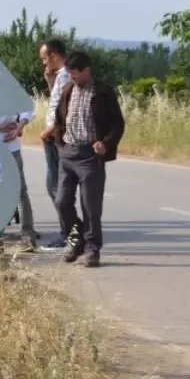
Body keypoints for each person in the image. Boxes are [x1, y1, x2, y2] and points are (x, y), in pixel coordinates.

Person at [52, 51, 125, 268]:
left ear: (87, 69)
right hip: (68, 154)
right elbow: (58, 120)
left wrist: (106, 143)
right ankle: (76, 239)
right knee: (62, 202)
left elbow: (117, 124)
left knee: (90, 206)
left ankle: (92, 248)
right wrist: (60, 144)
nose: (71, 77)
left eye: (74, 73)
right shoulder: (67, 90)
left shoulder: (103, 92)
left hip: (90, 157)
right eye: (69, 73)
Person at [0, 110, 38, 252]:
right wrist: (18, 127)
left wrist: (10, 128)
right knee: (19, 192)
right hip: (7, 143)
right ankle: (27, 237)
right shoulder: (10, 88)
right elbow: (27, 110)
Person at [38, 38, 78, 250]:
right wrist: (48, 80)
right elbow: (56, 99)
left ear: (54, 56)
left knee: (57, 186)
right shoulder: (60, 76)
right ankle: (69, 230)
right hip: (54, 135)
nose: (45, 64)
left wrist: (49, 130)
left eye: (45, 59)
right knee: (54, 185)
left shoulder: (66, 75)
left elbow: (64, 108)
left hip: (56, 136)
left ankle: (69, 232)